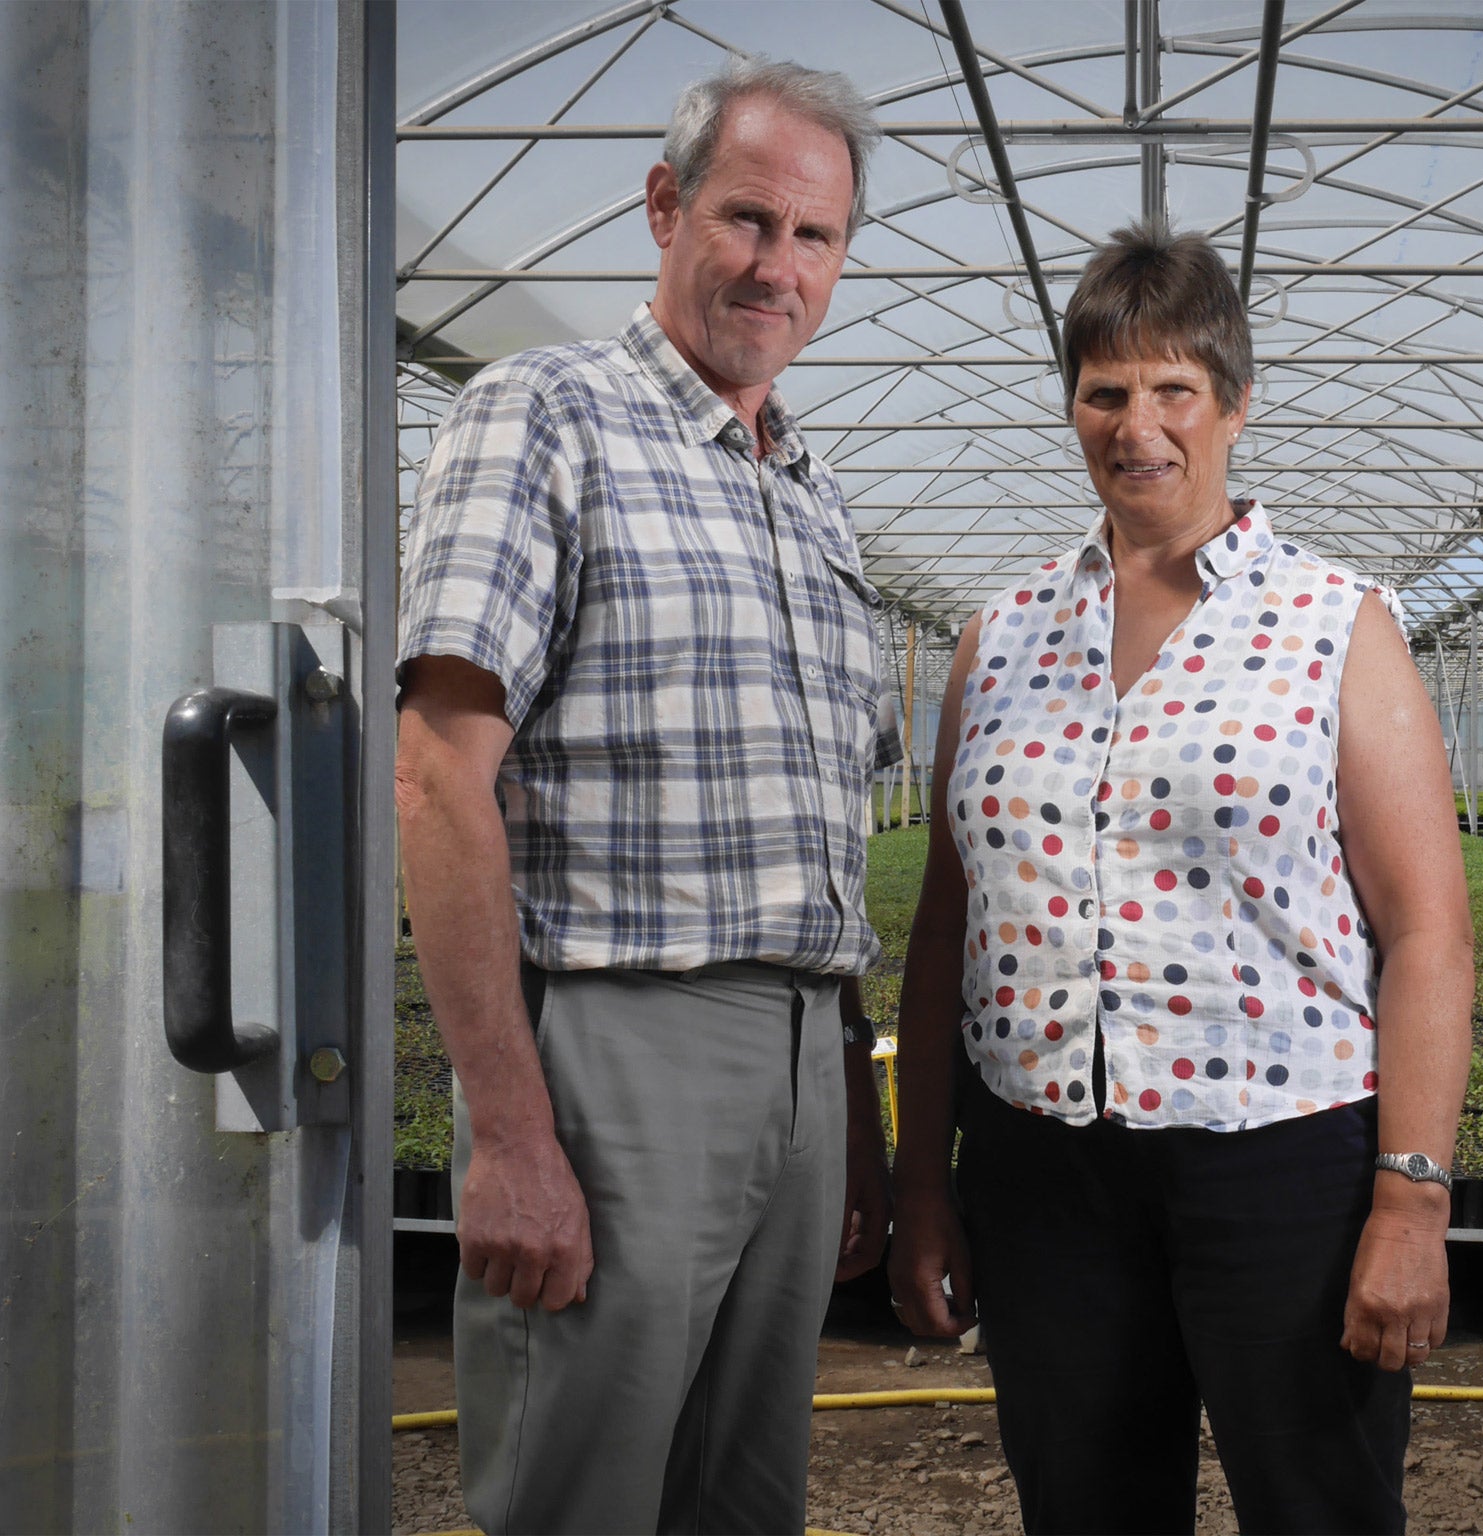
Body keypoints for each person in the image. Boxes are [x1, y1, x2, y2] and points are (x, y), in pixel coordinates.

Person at [887, 222, 1475, 1535]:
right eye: (1104, 391)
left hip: (1284, 1169)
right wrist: (924, 1181)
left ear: (1234, 405)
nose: (1136, 425)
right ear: (1073, 407)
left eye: (1173, 391)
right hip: (1043, 1177)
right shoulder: (1002, 635)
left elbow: (1429, 933)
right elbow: (947, 929)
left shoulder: (1334, 623)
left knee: (1317, 1508)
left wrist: (1411, 1200)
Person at [395, 59, 893, 1534]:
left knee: (744, 1496)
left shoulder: (807, 485)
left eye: (816, 238)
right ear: (667, 206)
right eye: (748, 219)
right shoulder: (545, 416)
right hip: (624, 1046)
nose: (776, 267)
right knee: (586, 1487)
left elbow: (831, 843)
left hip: (802, 1051)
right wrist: (508, 1132)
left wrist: (849, 1119)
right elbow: (437, 775)